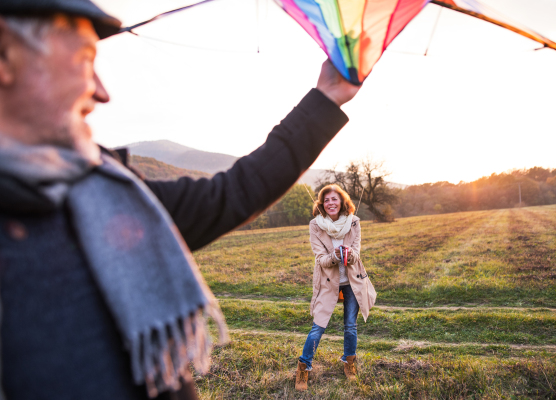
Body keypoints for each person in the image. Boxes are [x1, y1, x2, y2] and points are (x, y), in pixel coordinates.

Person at [0, 0, 362, 399]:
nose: (102, 92)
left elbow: (233, 193)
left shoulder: (109, 189)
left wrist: (326, 98)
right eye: (85, 60)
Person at [295, 184, 376, 391]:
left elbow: (357, 254)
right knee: (318, 326)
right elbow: (320, 259)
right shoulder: (315, 225)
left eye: (334, 199)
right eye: (327, 200)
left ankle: (349, 363)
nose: (331, 203)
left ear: (342, 201)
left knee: (350, 325)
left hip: (352, 282)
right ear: (322, 204)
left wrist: (349, 254)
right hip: (327, 283)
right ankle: (303, 367)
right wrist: (335, 256)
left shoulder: (354, 222)